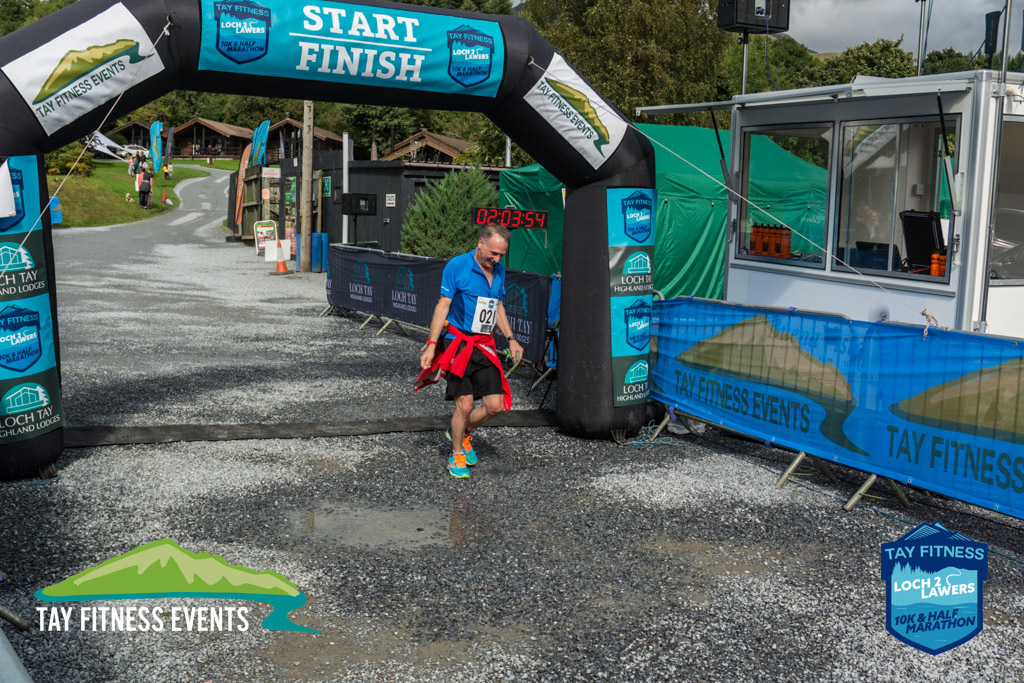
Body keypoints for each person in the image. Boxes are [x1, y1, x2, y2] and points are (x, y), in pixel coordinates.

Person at [415, 225, 524, 479]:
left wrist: (511, 339)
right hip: (459, 343)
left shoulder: (498, 270)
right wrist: (431, 345)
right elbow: (443, 306)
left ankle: (462, 432)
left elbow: (497, 305)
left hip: (484, 344)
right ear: (480, 243)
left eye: (502, 255)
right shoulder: (457, 266)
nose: (497, 259)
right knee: (464, 405)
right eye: (493, 253)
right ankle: (456, 454)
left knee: (495, 405)